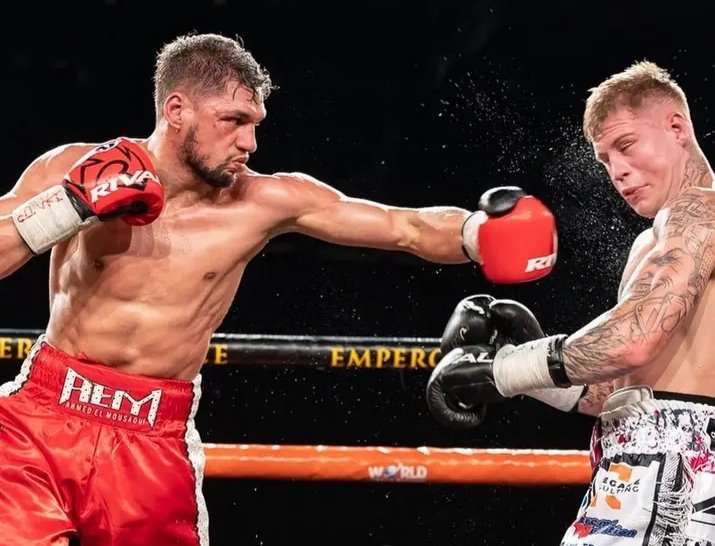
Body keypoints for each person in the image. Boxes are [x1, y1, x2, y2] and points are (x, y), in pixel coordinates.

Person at [0, 33, 557, 546]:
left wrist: (478, 234)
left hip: (152, 436)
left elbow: (401, 226)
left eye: (256, 123)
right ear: (177, 111)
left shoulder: (264, 202)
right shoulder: (71, 168)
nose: (251, 141)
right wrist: (67, 208)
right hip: (40, 418)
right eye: (234, 121)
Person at [426, 60, 715, 545]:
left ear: (677, 126)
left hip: (676, 470)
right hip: (646, 462)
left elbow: (636, 338)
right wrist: (536, 373)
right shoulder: (656, 240)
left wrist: (504, 370)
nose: (618, 171)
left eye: (626, 146)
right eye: (604, 161)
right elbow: (623, 392)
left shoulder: (700, 211)